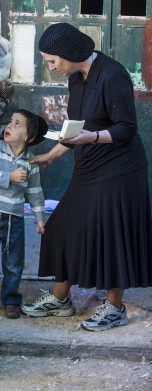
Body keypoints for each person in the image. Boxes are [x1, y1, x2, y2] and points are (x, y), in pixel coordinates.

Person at [21, 23, 152, 331]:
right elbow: (75, 127)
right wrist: (50, 156)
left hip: (120, 168)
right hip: (90, 167)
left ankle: (115, 308)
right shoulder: (77, 80)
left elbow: (126, 129)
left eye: (53, 61)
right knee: (63, 227)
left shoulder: (112, 74)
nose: (52, 67)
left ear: (68, 53)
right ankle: (60, 300)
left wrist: (92, 138)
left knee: (112, 236)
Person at [0, 110, 48, 319]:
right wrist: (10, 176)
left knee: (13, 263)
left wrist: (40, 219)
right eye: (10, 122)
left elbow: (35, 192)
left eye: (17, 124)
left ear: (29, 137)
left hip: (14, 218)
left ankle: (11, 299)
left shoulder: (30, 162)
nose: (9, 126)